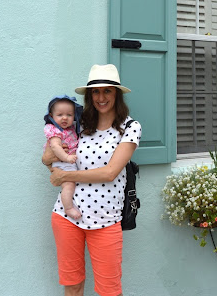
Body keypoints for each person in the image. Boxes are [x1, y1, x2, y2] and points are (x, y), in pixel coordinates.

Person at [43, 64, 141, 296]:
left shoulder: (130, 127)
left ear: (117, 94)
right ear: (89, 96)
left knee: (109, 290)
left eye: (107, 91)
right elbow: (49, 158)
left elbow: (110, 173)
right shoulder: (80, 124)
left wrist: (65, 176)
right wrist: (49, 158)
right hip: (66, 216)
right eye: (95, 92)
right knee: (73, 285)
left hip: (106, 219)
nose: (101, 97)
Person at [43, 95, 83, 220]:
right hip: (63, 162)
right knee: (68, 185)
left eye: (69, 115)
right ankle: (68, 208)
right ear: (51, 116)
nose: (65, 118)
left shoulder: (71, 128)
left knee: (71, 185)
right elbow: (55, 147)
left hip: (68, 162)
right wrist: (66, 157)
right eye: (60, 115)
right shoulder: (54, 130)